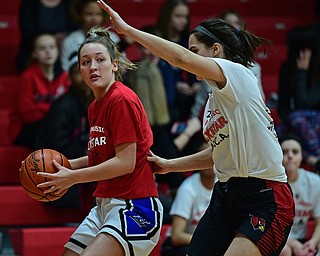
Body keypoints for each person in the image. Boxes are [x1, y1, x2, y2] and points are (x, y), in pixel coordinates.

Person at [97, 1, 295, 255]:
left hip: (265, 196)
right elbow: (219, 153)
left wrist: (128, 31)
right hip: (225, 195)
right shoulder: (214, 100)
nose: (190, 58)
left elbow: (179, 58)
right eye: (190, 51)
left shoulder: (238, 74)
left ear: (215, 49)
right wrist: (170, 165)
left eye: (195, 50)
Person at [36, 26, 163, 256]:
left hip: (135, 207)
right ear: (79, 70)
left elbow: (125, 162)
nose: (93, 66)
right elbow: (101, 156)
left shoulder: (120, 99)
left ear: (114, 64)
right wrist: (63, 165)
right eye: (85, 62)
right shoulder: (95, 106)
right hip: (105, 206)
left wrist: (72, 178)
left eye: (100, 59)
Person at [35, 52, 93, 209]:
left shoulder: (99, 102)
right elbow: (57, 150)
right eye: (78, 73)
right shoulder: (63, 107)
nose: (84, 77)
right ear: (70, 77)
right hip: (66, 173)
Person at [13, 33, 71, 150]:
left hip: (55, 126)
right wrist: (55, 110)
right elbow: (26, 113)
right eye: (42, 48)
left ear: (57, 51)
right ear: (34, 53)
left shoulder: (64, 76)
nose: (48, 51)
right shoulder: (27, 77)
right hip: (28, 129)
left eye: (52, 47)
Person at [277, 26, 320, 171]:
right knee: (275, 132)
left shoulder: (318, 69)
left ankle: (315, 157)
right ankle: (312, 159)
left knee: (298, 118)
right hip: (295, 121)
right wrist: (287, 120)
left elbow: (305, 102)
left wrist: (302, 72)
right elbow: (283, 102)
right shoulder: (287, 68)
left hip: (315, 119)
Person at [162, 143, 215, 256]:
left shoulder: (224, 185)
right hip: (181, 246)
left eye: (211, 157)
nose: (207, 163)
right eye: (203, 158)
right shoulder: (187, 188)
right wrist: (209, 243)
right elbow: (177, 236)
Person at [155, 0, 200, 123]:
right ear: (167, 16)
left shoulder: (188, 41)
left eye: (185, 17)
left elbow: (193, 65)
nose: (183, 21)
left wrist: (195, 83)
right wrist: (176, 84)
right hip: (161, 93)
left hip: (185, 96)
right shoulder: (156, 39)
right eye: (178, 16)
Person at [279, 134, 320, 256]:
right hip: (278, 239)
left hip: (303, 240)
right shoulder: (270, 183)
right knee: (285, 251)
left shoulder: (315, 182)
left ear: (302, 156)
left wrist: (312, 243)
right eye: (284, 152)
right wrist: (292, 243)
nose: (290, 156)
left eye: (295, 152)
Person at [217, 9, 265, 101]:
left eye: (236, 22)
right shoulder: (213, 58)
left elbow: (260, 97)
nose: (233, 26)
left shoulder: (253, 67)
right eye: (228, 22)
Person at [17, 0, 77, 72]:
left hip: (66, 50)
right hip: (36, 53)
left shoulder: (71, 2)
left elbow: (76, 27)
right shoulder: (29, 3)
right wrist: (51, 39)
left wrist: (66, 38)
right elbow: (27, 31)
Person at [60, 0, 120, 71]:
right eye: (89, 14)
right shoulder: (70, 40)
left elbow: (121, 67)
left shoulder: (113, 38)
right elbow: (66, 69)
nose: (94, 18)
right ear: (80, 15)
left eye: (98, 14)